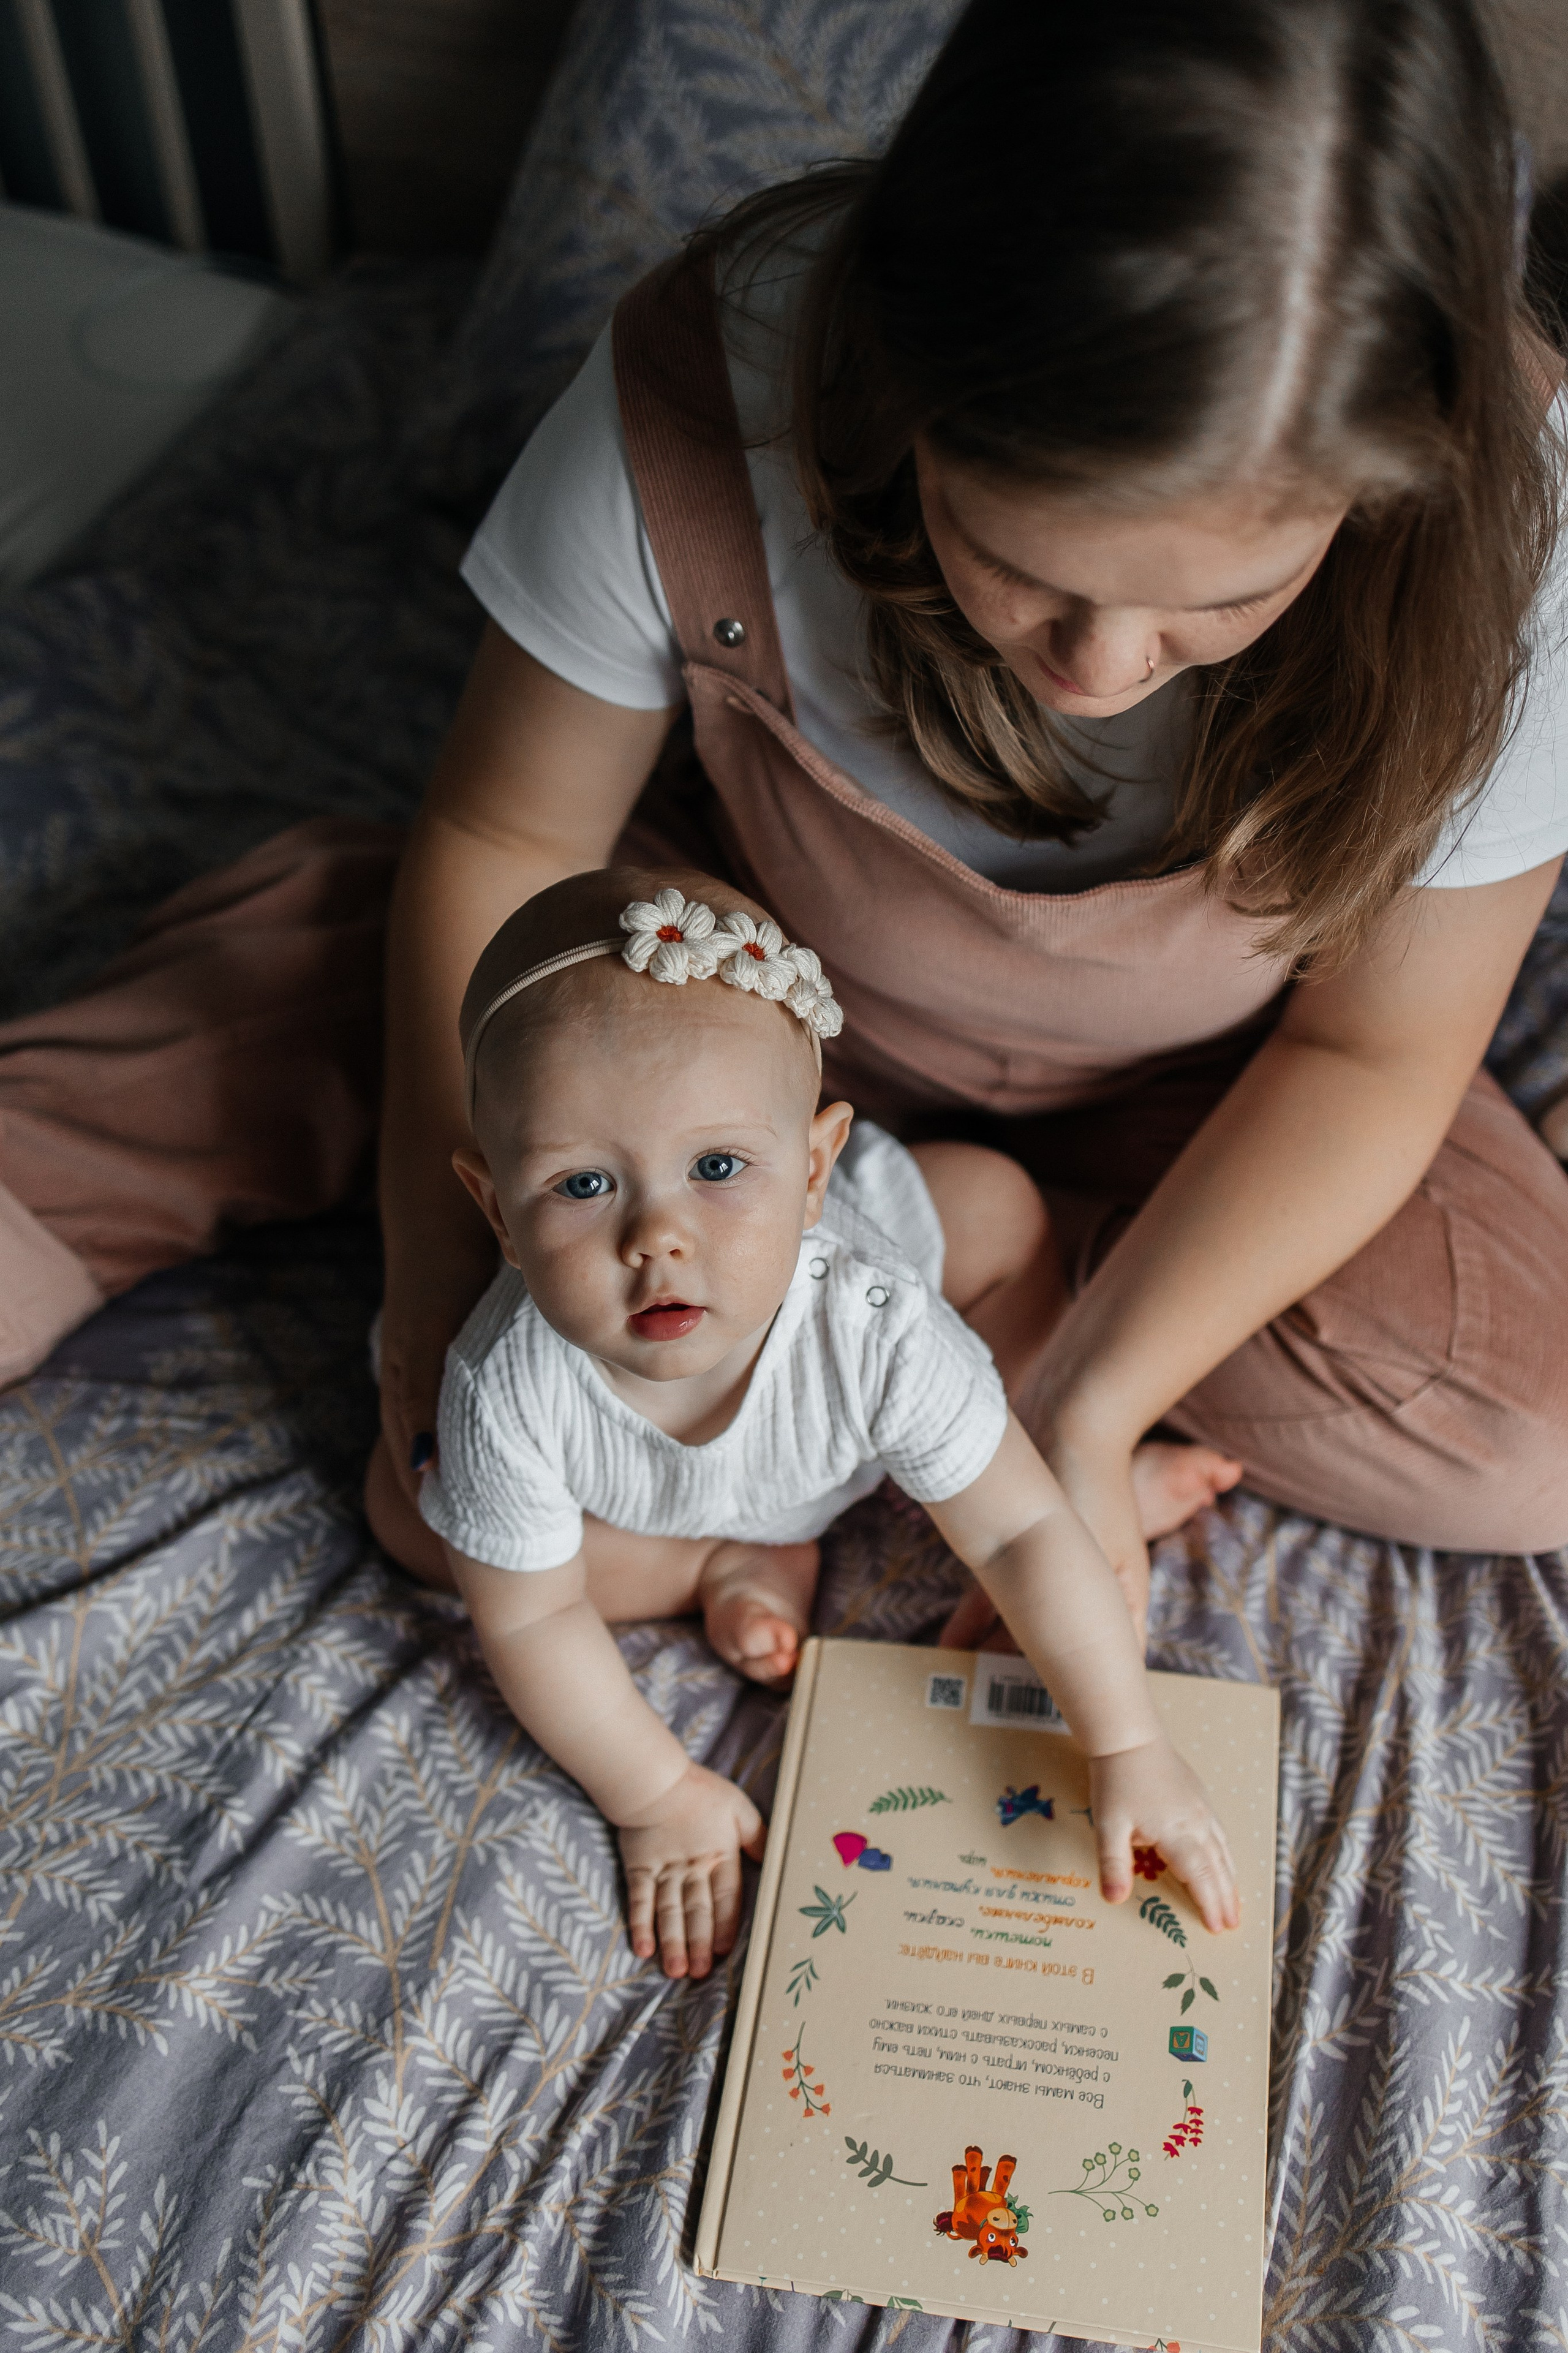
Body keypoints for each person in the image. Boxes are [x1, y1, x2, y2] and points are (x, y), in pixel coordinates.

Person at [2, 0, 1566, 1593]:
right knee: (399, 1030)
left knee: (1535, 1435)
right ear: (908, 387)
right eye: (1019, 566)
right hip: (717, 973)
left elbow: (1370, 1051)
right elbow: (511, 837)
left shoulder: (1524, 531)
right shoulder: (721, 369)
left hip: (1213, 1088)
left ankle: (971, 1288)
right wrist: (429, 1262)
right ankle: (331, 1021)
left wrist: (1093, 1409)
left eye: (1218, 604)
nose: (1098, 668)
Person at [390, 863, 1239, 1979]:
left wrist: (1126, 1739)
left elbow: (1021, 1536)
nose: (660, 1236)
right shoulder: (507, 1384)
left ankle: (1072, 1473)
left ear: (813, 1169)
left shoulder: (873, 1323)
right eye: (584, 1186)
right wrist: (655, 1793)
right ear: (498, 1210)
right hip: (651, 1506)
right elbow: (538, 1618)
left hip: (848, 1426)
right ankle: (734, 1557)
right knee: (421, 1522)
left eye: (719, 1166)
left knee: (994, 1209)